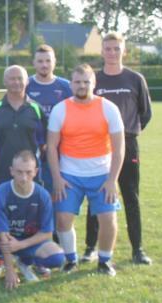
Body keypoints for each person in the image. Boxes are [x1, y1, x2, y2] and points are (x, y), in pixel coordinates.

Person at [47, 64, 125, 276]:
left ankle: (105, 261)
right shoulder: (60, 109)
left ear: (94, 83)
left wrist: (112, 180)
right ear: (71, 84)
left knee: (108, 220)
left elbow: (119, 149)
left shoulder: (109, 108)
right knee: (62, 219)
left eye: (86, 82)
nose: (82, 86)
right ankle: (71, 259)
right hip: (69, 175)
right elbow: (51, 147)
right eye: (77, 82)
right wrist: (57, 178)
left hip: (101, 175)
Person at [84, 32, 153, 265]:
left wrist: (129, 134)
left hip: (128, 145)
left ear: (124, 51)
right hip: (98, 147)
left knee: (130, 196)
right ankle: (90, 248)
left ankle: (138, 250)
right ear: (102, 51)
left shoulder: (135, 79)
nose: (112, 52)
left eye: (116, 48)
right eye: (108, 48)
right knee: (97, 196)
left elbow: (146, 113)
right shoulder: (93, 79)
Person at [0, 150, 65, 290]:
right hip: (3, 242)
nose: (24, 177)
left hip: (27, 242)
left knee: (57, 258)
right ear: (12, 171)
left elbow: (47, 233)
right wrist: (10, 270)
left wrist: (20, 245)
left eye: (28, 172)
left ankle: (25, 261)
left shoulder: (43, 195)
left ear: (36, 171)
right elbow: (3, 236)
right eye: (19, 172)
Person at [0, 65, 47, 187]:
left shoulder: (36, 109)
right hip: (2, 174)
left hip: (30, 175)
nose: (16, 82)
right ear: (4, 81)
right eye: (12, 79)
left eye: (20, 78)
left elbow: (43, 144)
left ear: (27, 81)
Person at [26, 44, 73, 192]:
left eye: (48, 60)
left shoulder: (66, 86)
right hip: (31, 148)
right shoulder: (26, 84)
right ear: (34, 63)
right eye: (40, 61)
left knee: (57, 194)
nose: (44, 65)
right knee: (32, 193)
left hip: (61, 150)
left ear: (55, 62)